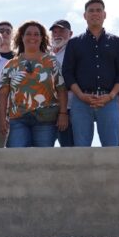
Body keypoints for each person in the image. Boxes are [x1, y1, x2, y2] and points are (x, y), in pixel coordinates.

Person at [62, 0, 119, 147]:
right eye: (91, 11)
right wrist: (80, 95)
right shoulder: (74, 43)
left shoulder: (116, 42)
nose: (95, 13)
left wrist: (110, 95)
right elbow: (68, 73)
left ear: (105, 14)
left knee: (111, 148)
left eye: (98, 10)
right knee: (81, 148)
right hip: (81, 101)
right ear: (85, 16)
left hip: (109, 100)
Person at [0, 21, 67, 148]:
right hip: (18, 119)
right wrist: (2, 119)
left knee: (42, 159)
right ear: (21, 37)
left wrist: (63, 114)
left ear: (41, 38)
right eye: (28, 34)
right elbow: (3, 94)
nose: (32, 37)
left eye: (36, 34)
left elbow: (61, 89)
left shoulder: (51, 62)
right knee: (17, 159)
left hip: (46, 119)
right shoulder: (11, 65)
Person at [49, 19, 74, 147]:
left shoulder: (74, 52)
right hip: (49, 109)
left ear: (71, 33)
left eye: (62, 31)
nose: (57, 34)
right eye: (54, 31)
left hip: (70, 108)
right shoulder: (47, 54)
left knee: (69, 149)